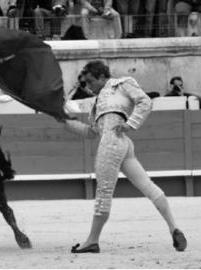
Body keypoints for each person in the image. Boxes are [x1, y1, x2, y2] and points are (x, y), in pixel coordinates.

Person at [62, 60, 187, 253]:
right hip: (122, 144)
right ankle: (174, 227)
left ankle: (92, 241)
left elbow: (145, 101)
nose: (88, 87)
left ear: (102, 76)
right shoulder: (97, 103)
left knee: (104, 193)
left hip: (112, 143)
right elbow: (91, 132)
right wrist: (64, 122)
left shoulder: (122, 83)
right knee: (148, 186)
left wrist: (131, 124)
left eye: (90, 81)